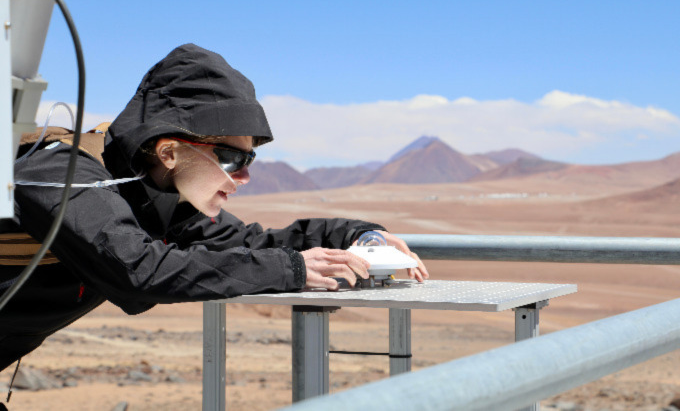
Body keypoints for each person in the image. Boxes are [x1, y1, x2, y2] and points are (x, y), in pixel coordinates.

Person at [0, 43, 428, 373]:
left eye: (250, 159)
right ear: (168, 151)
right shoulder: (59, 172)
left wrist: (355, 235)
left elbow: (249, 242)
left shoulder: (161, 195)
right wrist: (290, 269)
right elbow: (136, 271)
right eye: (231, 159)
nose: (243, 178)